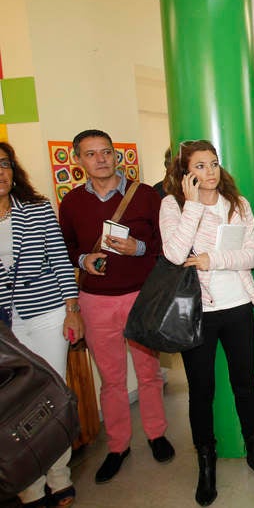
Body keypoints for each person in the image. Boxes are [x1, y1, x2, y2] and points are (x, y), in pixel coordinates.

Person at [160, 140, 254, 505]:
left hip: (237, 305)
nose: (209, 172)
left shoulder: (238, 204)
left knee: (245, 383)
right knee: (202, 390)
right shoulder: (172, 205)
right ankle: (206, 463)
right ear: (184, 173)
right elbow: (175, 254)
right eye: (199, 166)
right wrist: (193, 207)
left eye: (213, 163)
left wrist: (214, 259)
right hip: (197, 312)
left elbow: (253, 255)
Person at [59, 129, 173, 484]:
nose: (101, 159)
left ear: (116, 155)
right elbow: (67, 250)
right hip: (95, 301)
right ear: (79, 161)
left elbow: (163, 244)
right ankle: (118, 446)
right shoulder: (72, 203)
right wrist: (84, 259)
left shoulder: (145, 197)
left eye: (106, 152)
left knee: (149, 373)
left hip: (141, 296)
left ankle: (156, 434)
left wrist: (136, 249)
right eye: (91, 154)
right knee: (111, 380)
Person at [0, 142, 83, 508]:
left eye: (3, 164)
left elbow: (62, 263)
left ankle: (59, 476)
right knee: (9, 408)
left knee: (51, 397)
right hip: (5, 328)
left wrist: (72, 309)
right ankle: (29, 488)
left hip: (48, 313)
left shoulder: (36, 210)